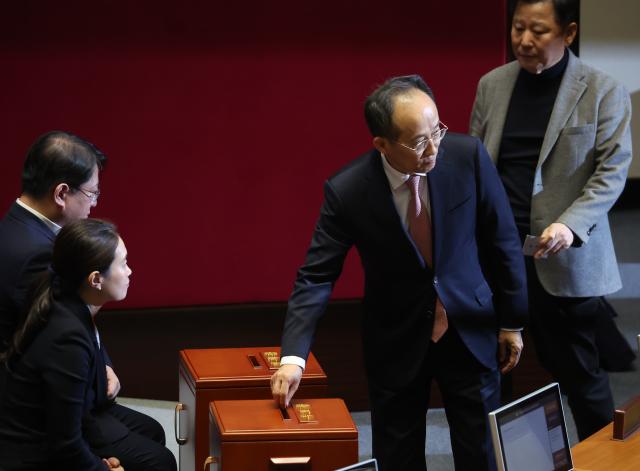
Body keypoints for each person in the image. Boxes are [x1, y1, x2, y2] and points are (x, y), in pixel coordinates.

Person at [271, 75, 528, 470]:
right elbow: (316, 276)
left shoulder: (468, 156)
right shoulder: (349, 190)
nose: (433, 148)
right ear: (382, 144)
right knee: (398, 453)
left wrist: (512, 321)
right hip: (396, 335)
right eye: (418, 141)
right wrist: (293, 356)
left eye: (437, 131)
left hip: (470, 326)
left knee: (481, 451)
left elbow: (502, 239)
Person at [469, 0, 633, 441]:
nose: (524, 40)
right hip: (497, 255)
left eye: (538, 31)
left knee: (582, 377)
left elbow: (611, 173)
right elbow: (475, 164)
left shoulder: (603, 90)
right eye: (518, 28)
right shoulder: (493, 84)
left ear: (570, 32)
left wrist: (570, 224)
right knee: (490, 375)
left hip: (564, 255)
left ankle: (606, 463)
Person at [0, 219, 177, 470]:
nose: (130, 271)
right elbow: (64, 443)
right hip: (36, 450)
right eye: (123, 263)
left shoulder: (70, 300)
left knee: (153, 431)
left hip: (82, 413)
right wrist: (102, 468)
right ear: (95, 279)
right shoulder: (66, 336)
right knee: (161, 462)